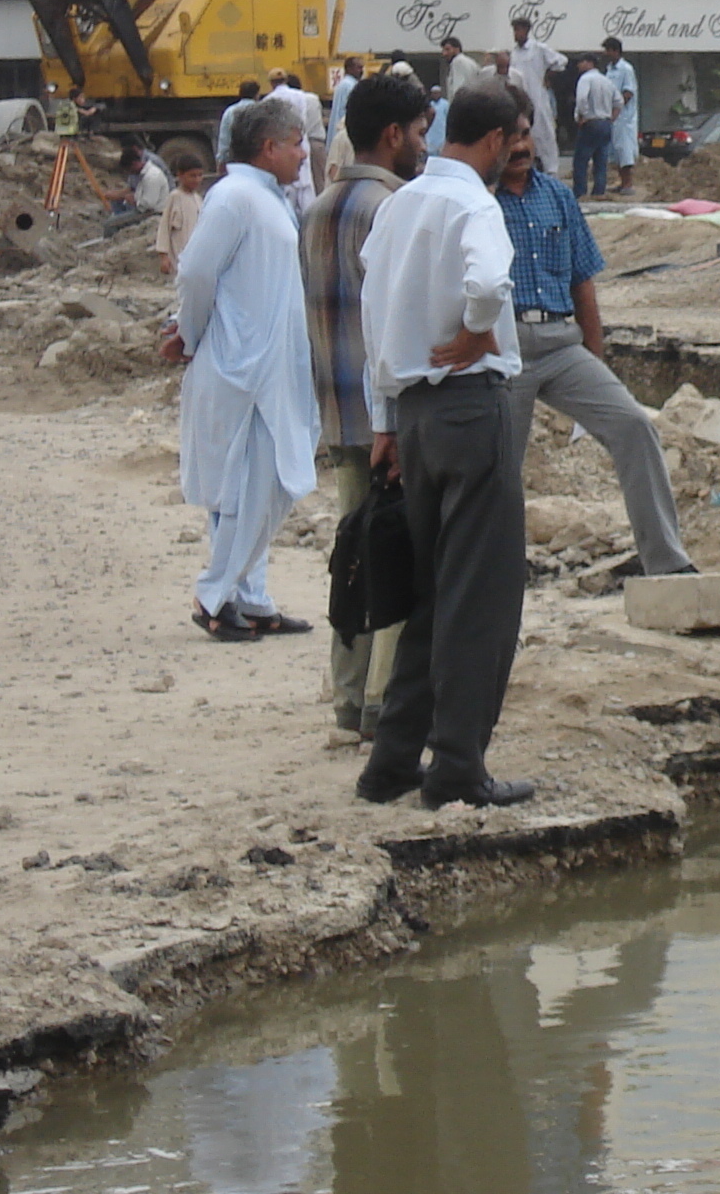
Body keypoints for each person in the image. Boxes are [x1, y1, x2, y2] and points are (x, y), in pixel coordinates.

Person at [355, 80, 535, 811]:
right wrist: (474, 327)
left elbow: (374, 319)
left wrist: (386, 422)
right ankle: (459, 765)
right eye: (516, 141)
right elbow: (489, 278)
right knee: (481, 598)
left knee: (434, 594)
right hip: (468, 406)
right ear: (494, 140)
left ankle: (394, 760)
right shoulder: (472, 204)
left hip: (416, 416)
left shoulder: (399, 206)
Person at [493, 87, 697, 578]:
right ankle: (498, 567)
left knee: (634, 426)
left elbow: (583, 283)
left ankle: (665, 561)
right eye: (510, 139)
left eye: (526, 135)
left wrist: (595, 356)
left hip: (562, 344)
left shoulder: (559, 197)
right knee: (500, 464)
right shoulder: (477, 204)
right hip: (505, 349)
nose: (521, 148)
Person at [302, 71, 431, 739]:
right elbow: (395, 322)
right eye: (417, 133)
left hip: (337, 410)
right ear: (391, 135)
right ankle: (385, 705)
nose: (422, 146)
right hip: (386, 416)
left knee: (353, 555)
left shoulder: (320, 206)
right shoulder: (393, 208)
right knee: (395, 562)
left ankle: (350, 700)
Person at [163, 100, 320, 643]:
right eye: (298, 143)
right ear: (269, 147)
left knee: (270, 483)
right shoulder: (234, 197)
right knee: (244, 489)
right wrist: (191, 334)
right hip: (241, 367)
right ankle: (215, 595)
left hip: (271, 367)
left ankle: (251, 600)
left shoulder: (266, 199)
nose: (305, 153)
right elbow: (197, 273)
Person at [507, 16, 563, 173]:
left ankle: (551, 171)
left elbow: (561, 62)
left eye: (518, 30)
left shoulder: (539, 49)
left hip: (537, 98)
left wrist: (547, 75)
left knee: (544, 134)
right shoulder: (514, 53)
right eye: (514, 30)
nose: (515, 34)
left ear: (526, 30)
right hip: (520, 100)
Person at [266, 68, 328, 192]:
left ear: (271, 83)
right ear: (285, 80)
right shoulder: (301, 96)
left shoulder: (268, 99)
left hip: (281, 146)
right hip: (301, 142)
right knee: (306, 184)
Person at [571, 54, 618, 199]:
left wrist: (582, 115)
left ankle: (580, 191)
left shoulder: (586, 79)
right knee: (601, 160)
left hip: (591, 122)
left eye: (581, 62)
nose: (578, 65)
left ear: (589, 63)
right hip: (605, 122)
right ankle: (599, 191)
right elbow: (619, 101)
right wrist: (612, 117)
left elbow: (582, 98)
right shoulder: (606, 81)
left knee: (581, 160)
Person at [156, 150, 209, 276]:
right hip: (178, 257)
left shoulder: (198, 199)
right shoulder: (175, 197)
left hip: (196, 256)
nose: (197, 180)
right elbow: (164, 228)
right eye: (192, 176)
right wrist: (164, 257)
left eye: (199, 175)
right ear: (180, 175)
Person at [105, 140, 173, 235]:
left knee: (110, 224)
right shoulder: (145, 174)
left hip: (153, 213)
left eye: (129, 170)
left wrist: (134, 200)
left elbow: (148, 205)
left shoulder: (151, 176)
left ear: (134, 164)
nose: (130, 173)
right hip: (146, 210)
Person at [601, 37, 640, 195]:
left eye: (609, 50)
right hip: (612, 117)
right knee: (616, 151)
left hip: (624, 118)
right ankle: (622, 182)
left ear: (616, 51)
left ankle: (628, 184)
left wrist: (618, 107)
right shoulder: (609, 69)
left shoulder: (626, 69)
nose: (607, 54)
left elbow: (628, 92)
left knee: (625, 151)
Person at [215, 77, 263, 164]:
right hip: (257, 160)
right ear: (256, 94)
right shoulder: (262, 111)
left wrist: (222, 160)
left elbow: (225, 139)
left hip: (235, 161)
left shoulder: (229, 111)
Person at [328, 55, 366, 154]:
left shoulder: (343, 84)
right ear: (349, 68)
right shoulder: (351, 86)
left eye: (362, 68)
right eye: (359, 67)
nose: (361, 71)